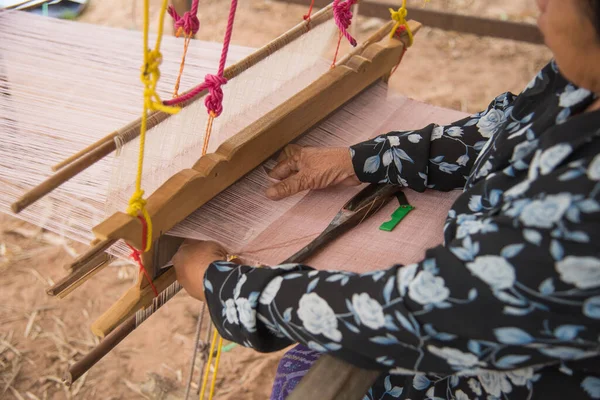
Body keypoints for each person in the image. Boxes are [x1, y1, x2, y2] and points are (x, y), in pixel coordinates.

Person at [172, 0, 600, 398]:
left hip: (513, 377)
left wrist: (228, 288)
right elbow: (499, 134)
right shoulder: (579, 81)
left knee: (310, 378)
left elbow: (431, 311)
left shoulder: (587, 203)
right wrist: (359, 160)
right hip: (480, 322)